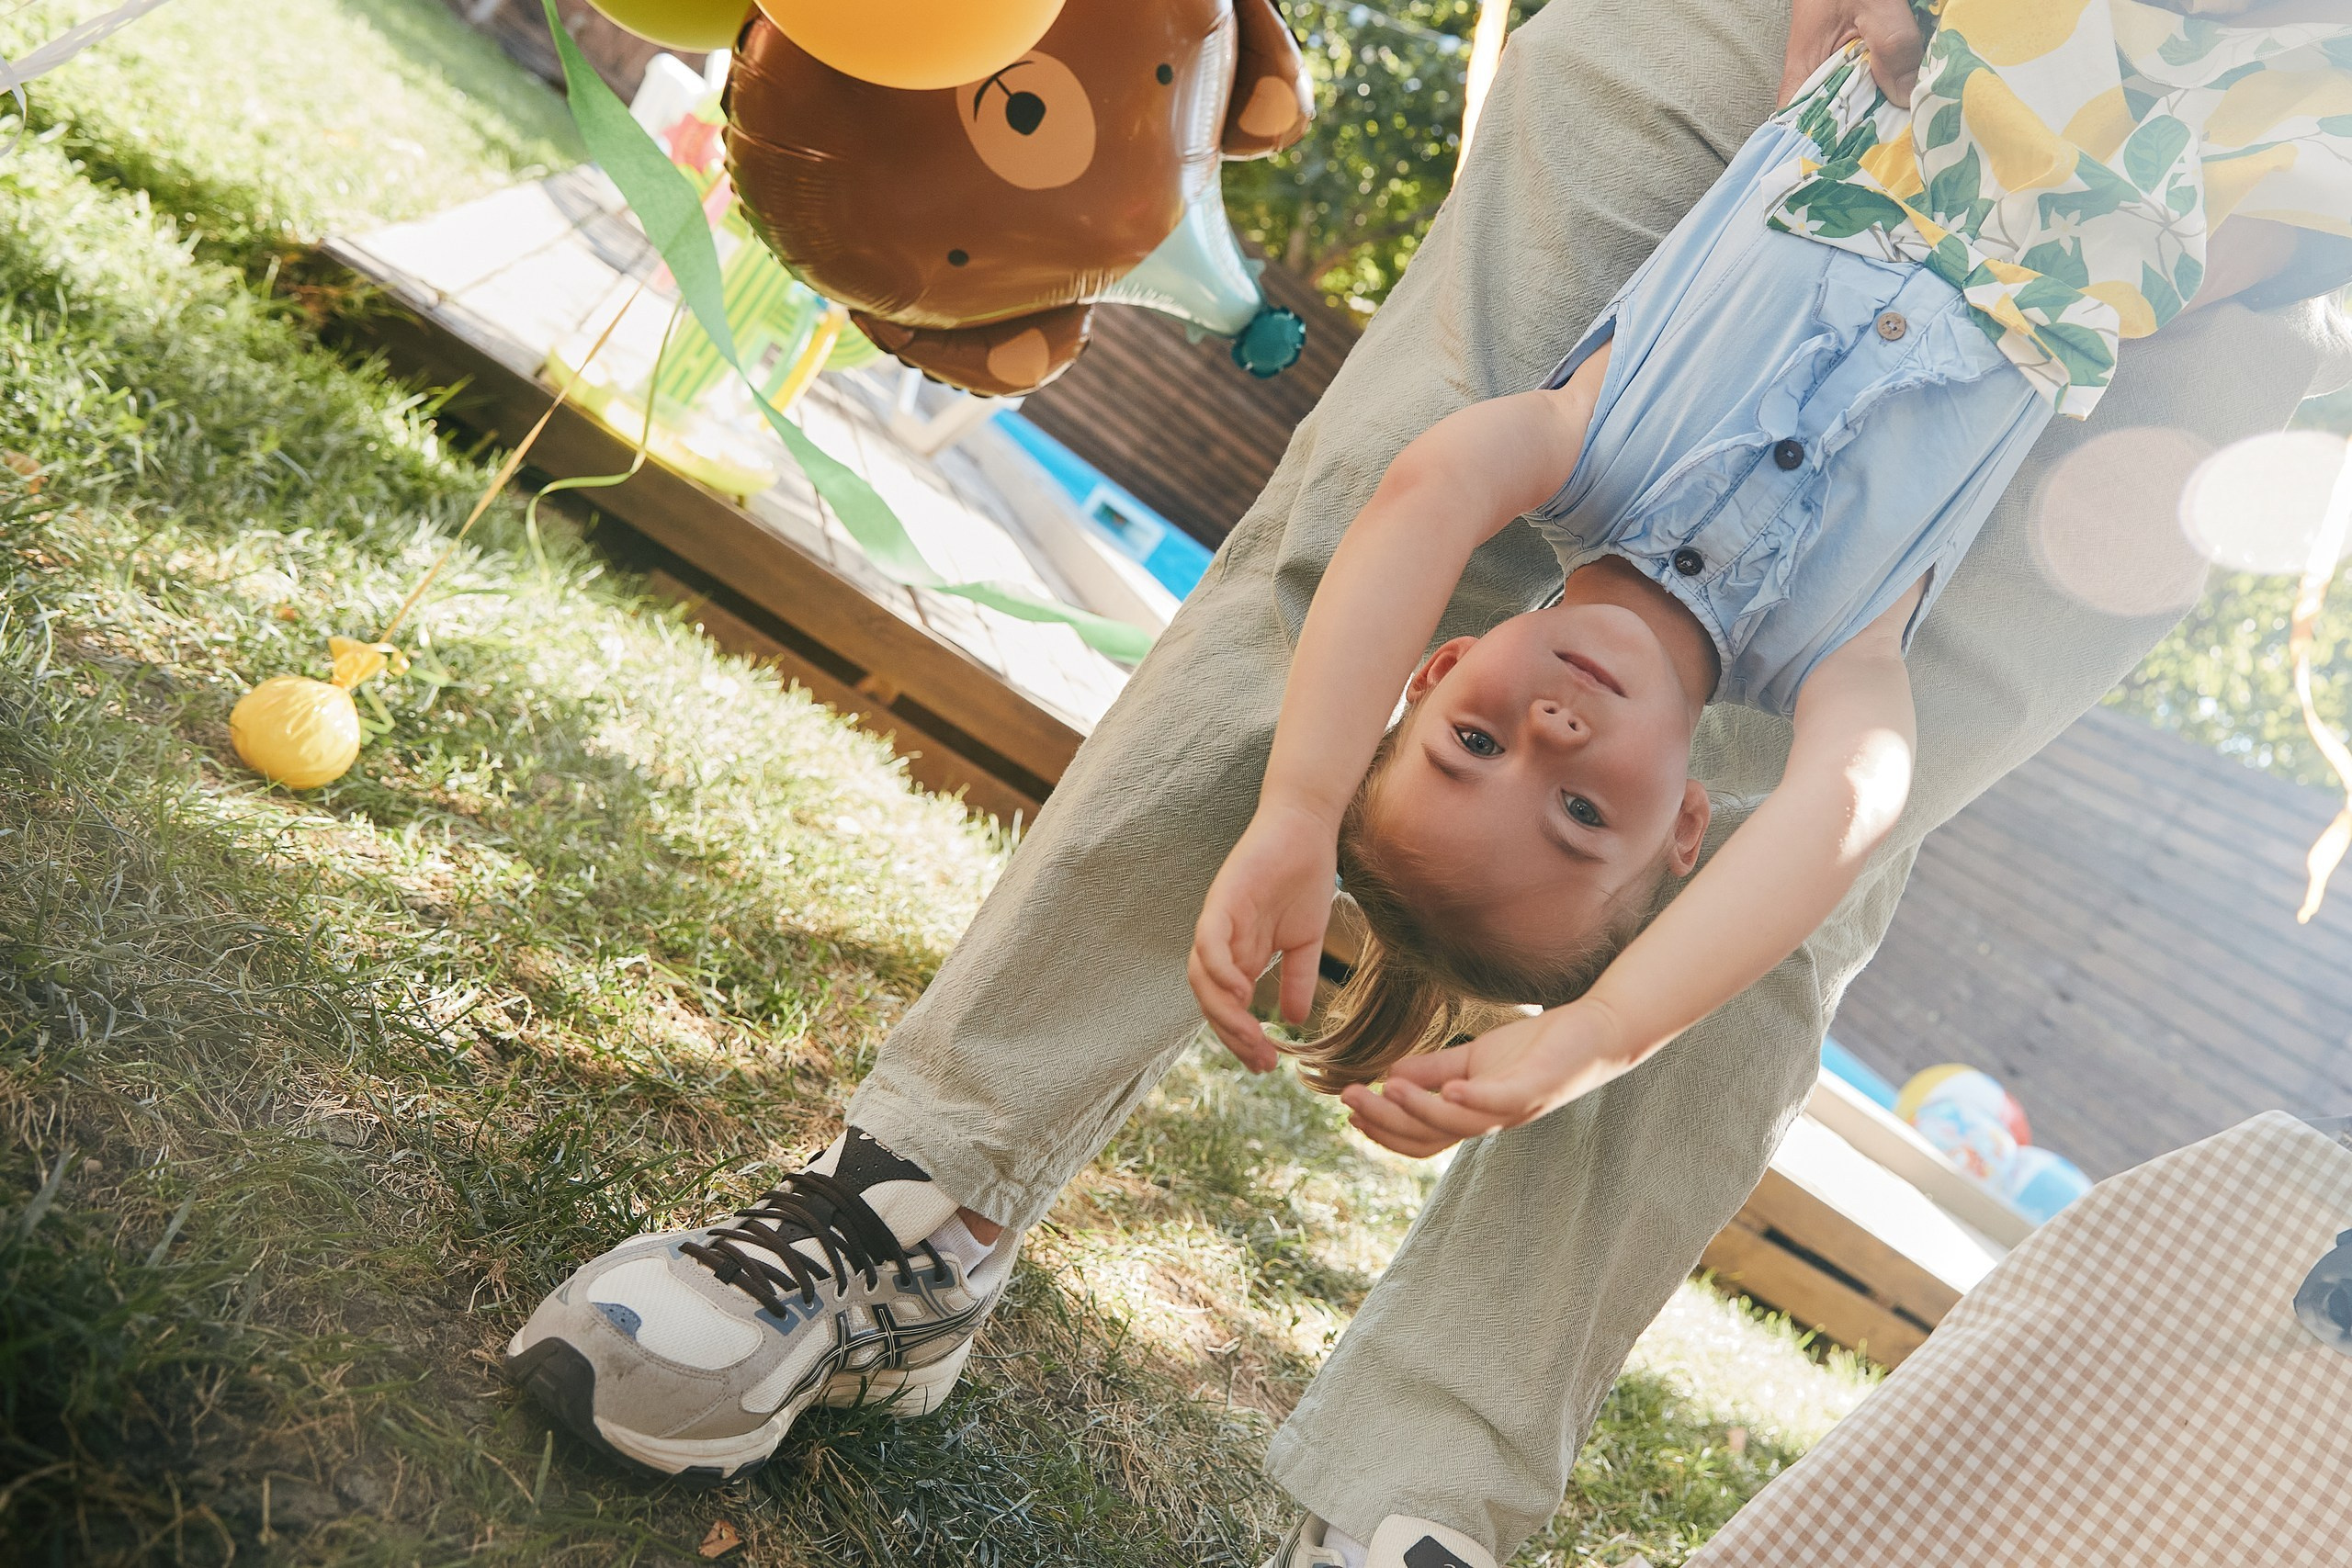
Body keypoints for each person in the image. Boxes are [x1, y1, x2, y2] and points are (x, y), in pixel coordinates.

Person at [503, 0, 2352, 1562]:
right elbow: (1413, 525)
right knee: (1337, 546)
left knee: (1791, 901)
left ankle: (1420, 1496)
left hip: (2259, 173)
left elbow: (1827, 816)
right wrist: (1327, 829)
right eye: (1548, 786)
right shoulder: (1804, 605)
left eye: (1482, 749)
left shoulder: (1613, 470)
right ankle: (913, 1208)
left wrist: (1553, 989)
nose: (1544, 730)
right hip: (1932, 77)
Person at [1191, 0, 2352, 1186]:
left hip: (1988, 40)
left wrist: (1299, 805)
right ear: (1688, 824)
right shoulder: (1842, 657)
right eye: (1585, 816)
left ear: (1436, 668)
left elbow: (1417, 497)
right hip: (2176, 173)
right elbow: (1845, 814)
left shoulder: (1575, 449)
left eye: (1474, 741)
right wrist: (1602, 1032)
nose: (1550, 735)